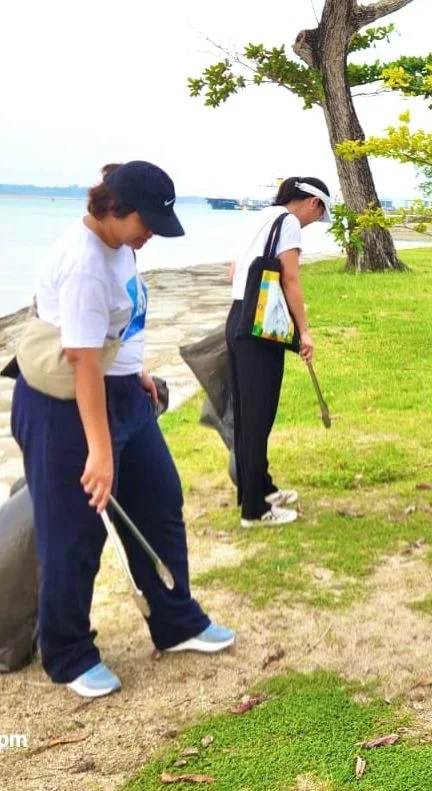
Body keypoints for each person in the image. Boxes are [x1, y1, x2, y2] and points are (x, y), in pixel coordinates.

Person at [11, 161, 235, 699]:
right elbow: (83, 362)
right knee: (74, 532)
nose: (151, 236)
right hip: (61, 405)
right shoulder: (85, 263)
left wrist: (136, 372)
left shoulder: (121, 247)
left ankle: (176, 620)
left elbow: (116, 330)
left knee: (160, 498)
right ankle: (66, 653)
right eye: (147, 223)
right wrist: (99, 452)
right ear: (113, 209)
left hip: (118, 392)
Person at [226, 177, 328, 527]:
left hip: (237, 317)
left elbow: (233, 271)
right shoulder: (288, 223)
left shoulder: (258, 217)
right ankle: (255, 510)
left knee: (247, 413)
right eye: (320, 213)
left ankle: (260, 487)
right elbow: (290, 279)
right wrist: (304, 331)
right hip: (260, 327)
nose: (316, 221)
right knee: (258, 416)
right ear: (313, 203)